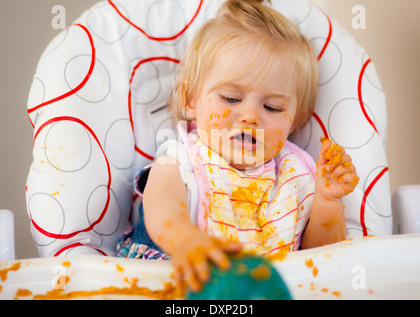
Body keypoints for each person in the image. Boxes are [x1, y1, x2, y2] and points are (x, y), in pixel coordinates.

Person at [116, 0, 359, 292]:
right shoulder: (181, 159)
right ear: (191, 100)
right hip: (176, 283)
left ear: (295, 119)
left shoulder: (295, 174)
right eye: (231, 99)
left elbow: (322, 260)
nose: (250, 117)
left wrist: (328, 201)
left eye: (272, 107)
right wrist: (185, 241)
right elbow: (161, 207)